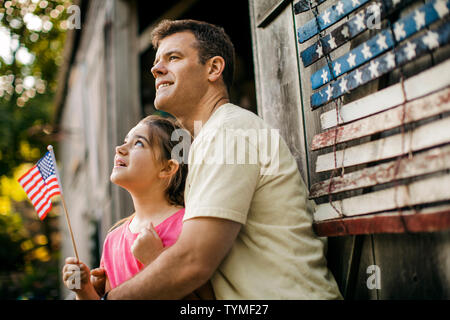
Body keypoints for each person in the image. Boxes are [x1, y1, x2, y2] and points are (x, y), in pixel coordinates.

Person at [103, 19, 343, 299]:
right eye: (157, 62)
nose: (156, 69)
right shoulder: (210, 139)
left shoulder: (229, 131)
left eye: (174, 57)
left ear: (214, 68)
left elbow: (192, 261)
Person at [61, 115, 214, 299]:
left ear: (167, 168)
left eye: (139, 144)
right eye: (125, 141)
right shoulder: (113, 239)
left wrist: (156, 259)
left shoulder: (189, 225)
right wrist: (84, 290)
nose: (119, 148)